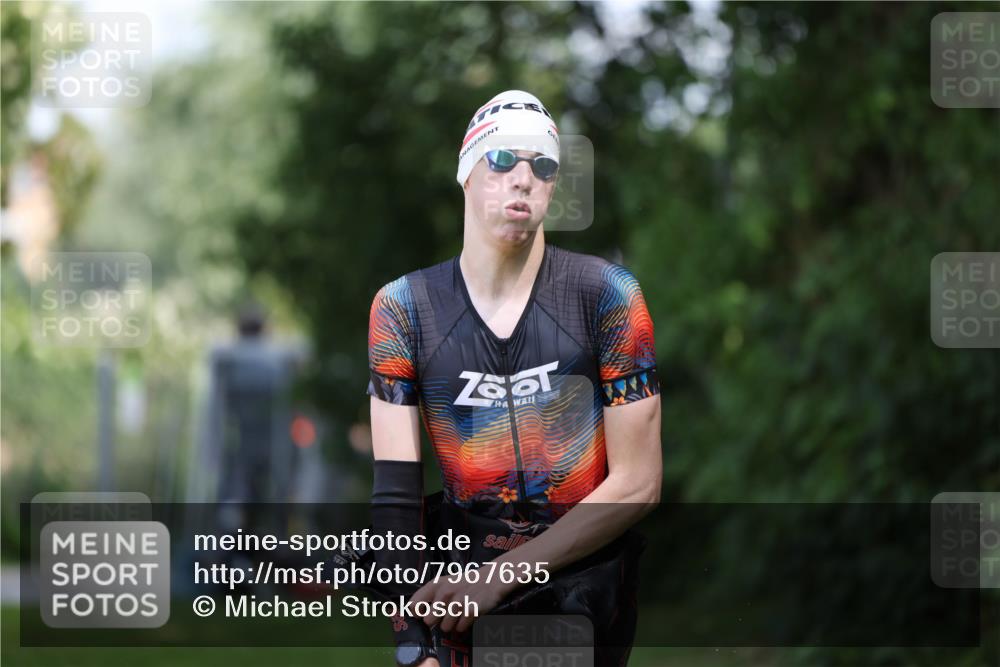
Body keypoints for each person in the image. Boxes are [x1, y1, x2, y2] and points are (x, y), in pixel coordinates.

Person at [367, 90, 662, 667]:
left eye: (542, 165)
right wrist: (413, 643)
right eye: (502, 159)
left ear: (553, 187)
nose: (522, 178)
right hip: (456, 590)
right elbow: (396, 504)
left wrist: (501, 578)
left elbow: (639, 483)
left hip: (582, 590)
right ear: (467, 173)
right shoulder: (403, 309)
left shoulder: (607, 296)